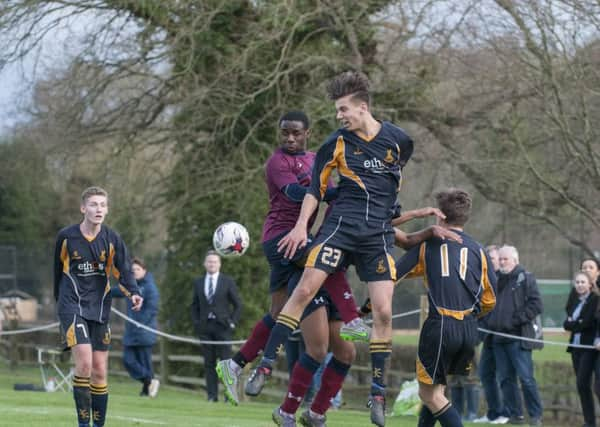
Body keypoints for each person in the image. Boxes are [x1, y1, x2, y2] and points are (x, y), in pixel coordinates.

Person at [216, 111, 371, 407]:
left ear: (307, 134)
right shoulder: (277, 162)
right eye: (285, 132)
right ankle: (352, 319)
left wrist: (352, 192)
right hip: (281, 239)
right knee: (328, 260)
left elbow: (328, 191)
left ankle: (234, 365)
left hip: (300, 241)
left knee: (277, 312)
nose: (289, 138)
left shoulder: (314, 160)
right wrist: (330, 192)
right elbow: (297, 192)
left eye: (296, 133)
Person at [395, 188, 497, 427]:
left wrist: (367, 308)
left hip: (441, 325)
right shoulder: (479, 250)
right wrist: (472, 315)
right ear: (466, 216)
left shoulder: (428, 244)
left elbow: (393, 275)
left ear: (439, 216)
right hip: (469, 329)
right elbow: (490, 299)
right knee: (438, 389)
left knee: (429, 395)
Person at [54, 186, 143, 427]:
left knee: (100, 371)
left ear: (107, 210)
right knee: (84, 362)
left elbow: (123, 271)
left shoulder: (112, 239)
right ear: (83, 208)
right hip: (72, 306)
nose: (98, 209)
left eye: (102, 205)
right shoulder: (66, 237)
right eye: (93, 204)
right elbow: (58, 273)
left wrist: (134, 293)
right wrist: (60, 307)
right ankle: (83, 424)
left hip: (100, 309)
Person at [485, 245, 544, 426]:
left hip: (518, 338)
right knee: (505, 379)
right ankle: (515, 415)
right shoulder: (495, 280)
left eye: (505, 259)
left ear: (515, 260)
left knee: (526, 379)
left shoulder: (525, 278)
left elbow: (536, 305)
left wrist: (516, 319)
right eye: (500, 259)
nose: (502, 262)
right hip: (498, 338)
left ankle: (535, 416)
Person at [191, 250, 242, 402]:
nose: (211, 264)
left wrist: (232, 322)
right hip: (206, 328)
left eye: (214, 261)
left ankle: (229, 395)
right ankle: (212, 396)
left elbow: (238, 305)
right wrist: (197, 323)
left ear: (219, 264)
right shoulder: (198, 282)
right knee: (209, 363)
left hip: (223, 327)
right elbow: (194, 306)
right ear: (205, 264)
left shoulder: (227, 281)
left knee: (226, 363)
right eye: (209, 261)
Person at [111, 257, 160, 397]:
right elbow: (116, 291)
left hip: (144, 332)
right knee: (128, 360)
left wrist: (140, 323)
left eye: (138, 270)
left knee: (145, 362)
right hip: (131, 332)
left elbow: (152, 309)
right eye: (133, 271)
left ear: (144, 270)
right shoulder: (130, 286)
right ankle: (150, 381)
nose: (135, 272)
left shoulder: (150, 288)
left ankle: (146, 391)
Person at [474, 245, 510, 425]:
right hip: (487, 335)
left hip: (501, 335)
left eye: (494, 259)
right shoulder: (483, 278)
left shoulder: (502, 281)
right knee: (485, 374)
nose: (491, 261)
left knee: (503, 375)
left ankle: (506, 412)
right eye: (488, 258)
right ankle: (493, 412)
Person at [564, 271, 599, 427]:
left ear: (590, 284)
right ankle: (589, 422)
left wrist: (574, 323)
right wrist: (575, 322)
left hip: (589, 347)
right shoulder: (575, 301)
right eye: (577, 282)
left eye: (583, 282)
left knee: (584, 382)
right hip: (575, 347)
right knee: (582, 386)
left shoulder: (595, 300)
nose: (579, 285)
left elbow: (587, 323)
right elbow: (566, 323)